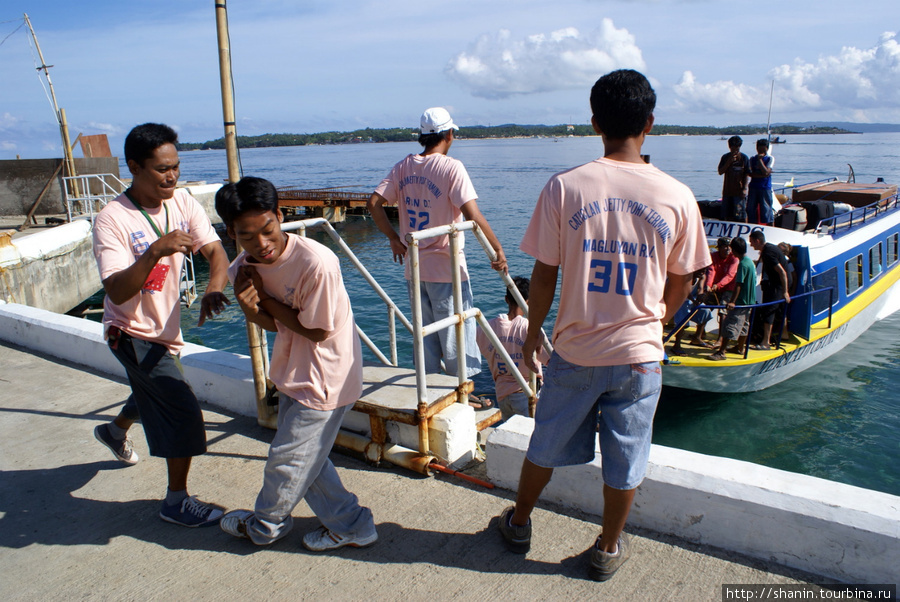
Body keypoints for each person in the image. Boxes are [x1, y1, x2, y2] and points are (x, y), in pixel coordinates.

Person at [494, 70, 710, 582]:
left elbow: (543, 278)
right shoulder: (678, 196)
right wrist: (658, 318)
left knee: (544, 442)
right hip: (639, 355)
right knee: (627, 455)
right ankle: (608, 548)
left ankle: (519, 523)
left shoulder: (565, 187)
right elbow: (684, 281)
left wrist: (532, 340)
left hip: (576, 351)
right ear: (650, 124)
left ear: (595, 122)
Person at [215, 177, 377, 550]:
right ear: (231, 232)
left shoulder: (315, 264)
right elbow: (272, 325)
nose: (262, 244)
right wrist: (245, 302)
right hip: (293, 371)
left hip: (325, 376)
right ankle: (353, 525)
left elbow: (317, 331)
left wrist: (265, 302)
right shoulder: (245, 266)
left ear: (280, 215)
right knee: (309, 459)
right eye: (248, 236)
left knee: (286, 461)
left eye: (268, 230)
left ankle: (265, 526)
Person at [91, 122, 230, 527]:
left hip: (164, 331)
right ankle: (176, 501)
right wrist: (155, 250)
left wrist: (214, 288)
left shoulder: (182, 202)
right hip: (130, 332)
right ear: (134, 167)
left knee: (153, 391)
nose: (171, 176)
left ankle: (114, 433)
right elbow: (117, 291)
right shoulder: (111, 219)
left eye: (176, 167)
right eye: (161, 169)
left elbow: (216, 252)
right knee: (183, 409)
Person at [367, 107, 507, 406]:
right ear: (449, 134)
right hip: (446, 267)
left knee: (426, 337)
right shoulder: (451, 168)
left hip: (415, 269)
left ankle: (430, 394)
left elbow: (374, 203)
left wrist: (394, 238)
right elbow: (472, 214)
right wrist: (497, 249)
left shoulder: (404, 166)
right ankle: (462, 398)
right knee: (457, 334)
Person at [475, 276, 550, 420]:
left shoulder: (485, 328)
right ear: (529, 302)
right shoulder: (531, 329)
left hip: (502, 393)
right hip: (527, 392)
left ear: (506, 299)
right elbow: (550, 361)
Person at [710, 237, 757, 360]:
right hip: (750, 301)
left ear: (734, 250)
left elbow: (739, 284)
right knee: (744, 326)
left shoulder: (742, 264)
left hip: (741, 301)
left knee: (729, 325)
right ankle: (740, 348)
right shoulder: (750, 262)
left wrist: (732, 302)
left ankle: (722, 352)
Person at [749, 229, 790, 349]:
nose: (751, 245)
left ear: (757, 241)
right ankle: (784, 334)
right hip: (776, 283)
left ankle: (765, 342)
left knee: (769, 311)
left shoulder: (768, 252)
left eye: (752, 242)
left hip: (778, 284)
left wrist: (785, 291)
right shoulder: (768, 249)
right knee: (778, 309)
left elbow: (782, 272)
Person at [669, 269, 712, 354]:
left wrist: (701, 297)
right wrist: (694, 300)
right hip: (679, 299)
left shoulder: (702, 276)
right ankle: (676, 345)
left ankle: (697, 338)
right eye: (700, 270)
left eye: (704, 271)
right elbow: (685, 291)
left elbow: (700, 289)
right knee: (682, 320)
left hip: (691, 300)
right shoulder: (685, 276)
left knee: (705, 311)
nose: (702, 272)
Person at [717, 136, 751, 222]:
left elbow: (747, 174)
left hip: (739, 191)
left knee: (740, 213)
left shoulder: (744, 158)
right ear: (730, 147)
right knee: (726, 213)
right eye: (733, 148)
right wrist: (729, 161)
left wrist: (745, 188)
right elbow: (720, 171)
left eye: (737, 148)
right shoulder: (725, 157)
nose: (735, 150)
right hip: (727, 191)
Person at [747, 139, 775, 225]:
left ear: (767, 149)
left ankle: (770, 227)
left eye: (763, 150)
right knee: (751, 209)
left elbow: (766, 171)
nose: (761, 152)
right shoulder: (752, 159)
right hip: (754, 187)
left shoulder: (770, 158)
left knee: (766, 209)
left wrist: (760, 161)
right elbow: (750, 173)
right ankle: (752, 225)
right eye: (759, 150)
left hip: (765, 187)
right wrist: (763, 174)